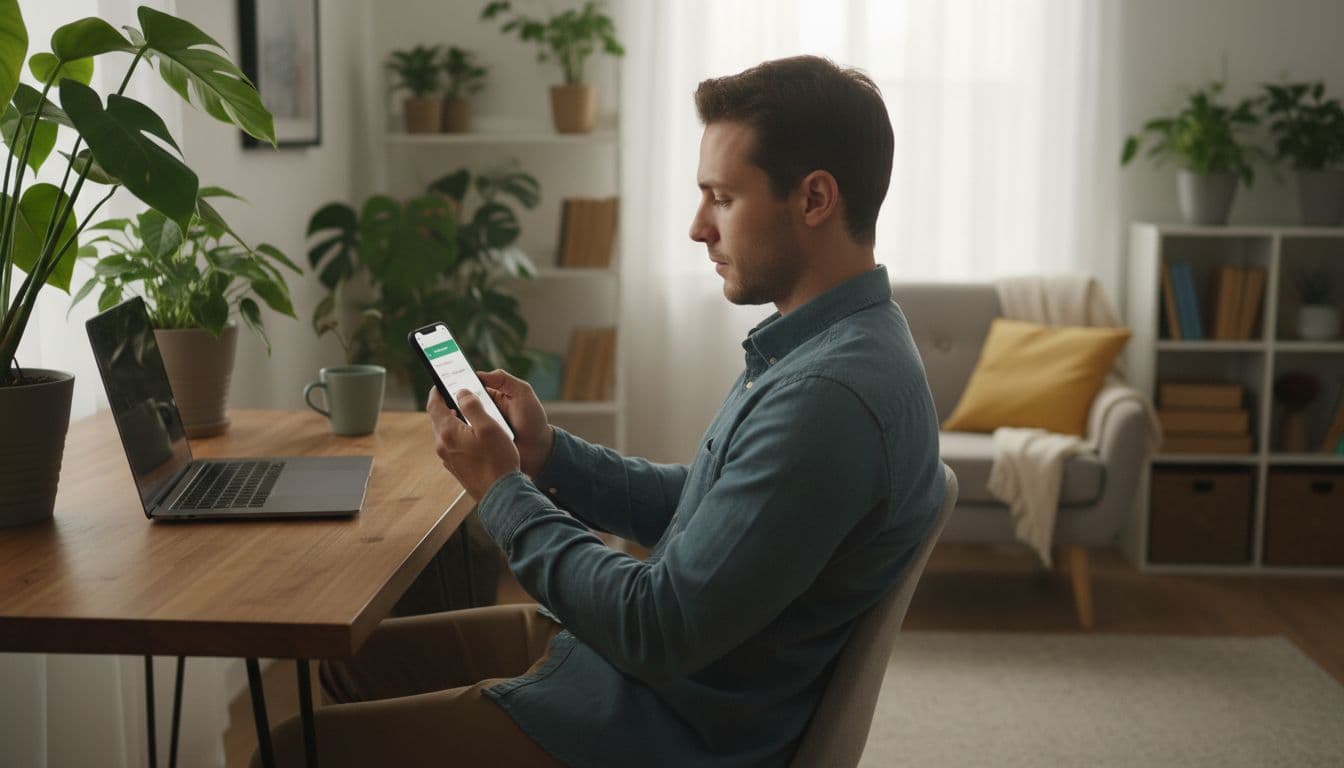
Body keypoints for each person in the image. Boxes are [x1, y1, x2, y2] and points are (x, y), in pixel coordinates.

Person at [260, 54, 944, 767]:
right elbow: (711, 508)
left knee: (289, 750)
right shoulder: (833, 345)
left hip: (649, 725)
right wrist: (548, 456)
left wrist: (501, 489)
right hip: (630, 676)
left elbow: (654, 627)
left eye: (722, 198)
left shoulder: (828, 399)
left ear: (814, 199)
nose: (698, 228)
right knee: (353, 660)